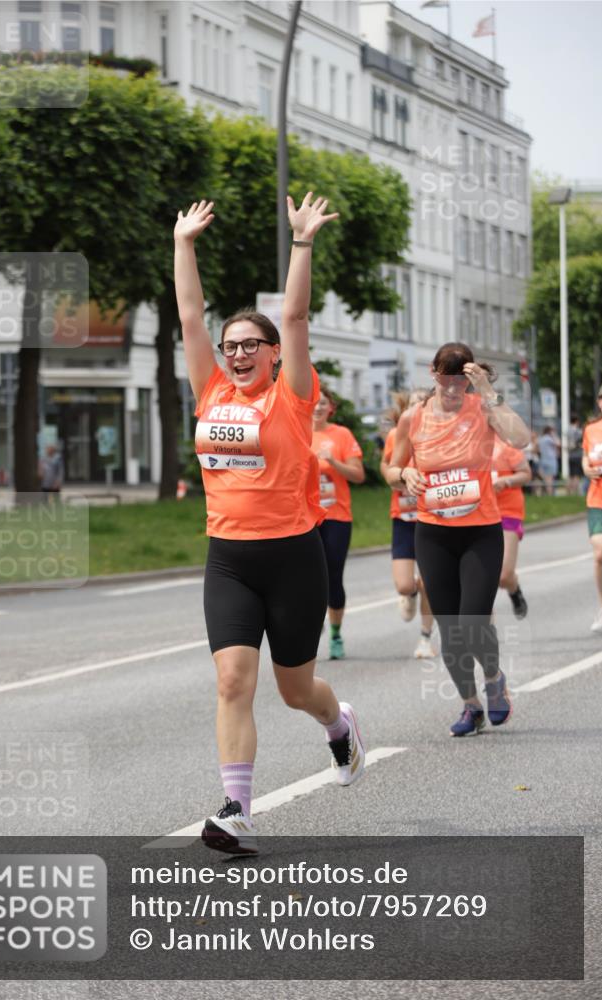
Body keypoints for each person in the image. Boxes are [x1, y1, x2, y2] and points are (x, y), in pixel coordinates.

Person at [174, 194, 365, 857]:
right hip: (228, 557)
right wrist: (183, 243)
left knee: (295, 690)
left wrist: (303, 242)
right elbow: (189, 316)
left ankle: (338, 724)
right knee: (231, 681)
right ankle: (236, 810)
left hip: (291, 557)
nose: (235, 354)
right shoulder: (211, 391)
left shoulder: (293, 394)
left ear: (274, 353)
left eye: (249, 345)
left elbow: (293, 311)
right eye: (230, 347)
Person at [387, 342, 531, 737]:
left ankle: (495, 677)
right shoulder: (413, 418)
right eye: (446, 381)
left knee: (473, 623)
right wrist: (404, 476)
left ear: (469, 378)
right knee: (450, 629)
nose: (452, 391)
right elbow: (391, 466)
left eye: (460, 382)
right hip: (433, 533)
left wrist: (486, 391)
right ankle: (471, 706)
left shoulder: (483, 408)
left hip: (480, 532)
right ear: (433, 374)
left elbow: (520, 439)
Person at [381, 390, 436, 659]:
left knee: (429, 582)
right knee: (405, 584)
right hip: (403, 517)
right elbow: (386, 466)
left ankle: (425, 638)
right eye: (413, 405)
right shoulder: (395, 436)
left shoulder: (438, 435)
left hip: (430, 518)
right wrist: (399, 476)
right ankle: (410, 593)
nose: (417, 409)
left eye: (421, 404)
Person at [311, 385, 365, 660]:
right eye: (314, 402)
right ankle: (312, 616)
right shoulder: (295, 430)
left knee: (333, 576)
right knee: (304, 575)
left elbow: (358, 475)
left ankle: (335, 634)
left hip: (336, 516)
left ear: (331, 408)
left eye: (323, 403)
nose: (318, 407)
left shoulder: (341, 435)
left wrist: (333, 462)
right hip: (303, 518)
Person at [492, 436, 532, 618]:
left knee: (503, 575)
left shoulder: (506, 445)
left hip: (508, 511)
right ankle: (482, 633)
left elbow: (526, 473)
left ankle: (514, 590)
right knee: (483, 579)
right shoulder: (467, 444)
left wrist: (506, 481)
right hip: (480, 513)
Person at [582, 384, 602, 634]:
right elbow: (587, 458)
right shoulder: (591, 430)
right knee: (600, 554)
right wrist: (587, 468)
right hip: (597, 499)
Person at [537, 425, 560, 496]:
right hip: (551, 461)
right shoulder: (549, 439)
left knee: (545, 478)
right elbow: (558, 443)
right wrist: (554, 435)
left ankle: (545, 492)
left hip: (543, 459)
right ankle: (550, 494)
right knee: (550, 479)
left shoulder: (541, 439)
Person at [567, 416, 584, 495]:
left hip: (570, 455)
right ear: (576, 421)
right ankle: (574, 492)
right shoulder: (578, 431)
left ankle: (569, 492)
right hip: (577, 455)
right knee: (576, 475)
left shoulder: (568, 431)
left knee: (571, 475)